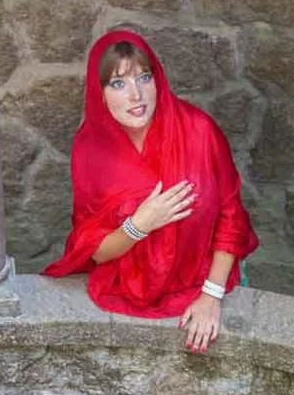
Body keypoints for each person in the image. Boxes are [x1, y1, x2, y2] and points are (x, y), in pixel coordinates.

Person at [44, 29, 258, 352]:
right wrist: (141, 223)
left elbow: (231, 216)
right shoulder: (90, 152)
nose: (137, 95)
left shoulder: (199, 132)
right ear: (99, 93)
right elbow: (95, 249)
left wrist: (211, 296)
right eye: (118, 83)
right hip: (126, 286)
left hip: (200, 283)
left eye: (144, 77)